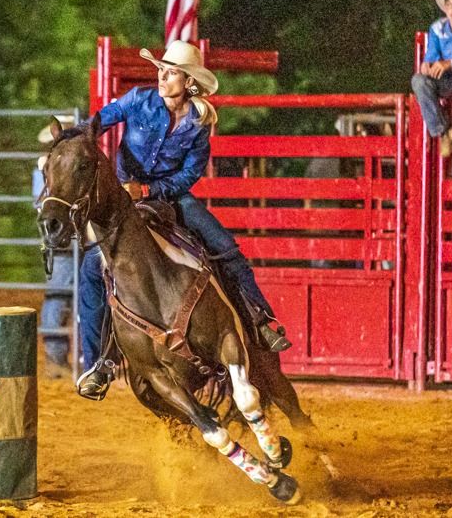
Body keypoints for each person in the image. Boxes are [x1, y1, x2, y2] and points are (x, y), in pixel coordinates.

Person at [76, 40, 291, 399]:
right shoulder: (139, 100)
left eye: (171, 71)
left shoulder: (197, 125)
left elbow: (188, 177)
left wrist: (147, 191)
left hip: (169, 197)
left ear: (189, 82)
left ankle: (258, 320)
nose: (162, 76)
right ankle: (100, 361)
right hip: (123, 201)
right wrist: (76, 140)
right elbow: (99, 121)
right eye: (161, 69)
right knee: (90, 270)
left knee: (224, 248)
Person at [34, 145, 75, 378]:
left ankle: (57, 356)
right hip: (62, 240)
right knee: (58, 296)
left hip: (64, 238)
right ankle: (55, 355)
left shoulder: (49, 169)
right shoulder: (48, 169)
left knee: (60, 296)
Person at [412, 0, 452, 157]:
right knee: (419, 81)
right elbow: (430, 57)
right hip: (446, 81)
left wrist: (449, 63)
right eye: (450, 5)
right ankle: (444, 132)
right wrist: (426, 66)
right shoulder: (437, 28)